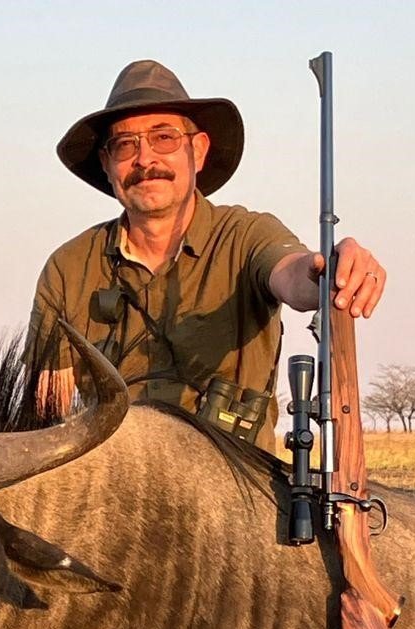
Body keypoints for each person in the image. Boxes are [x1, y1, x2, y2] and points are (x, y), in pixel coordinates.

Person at [24, 60, 386, 454]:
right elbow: (48, 415)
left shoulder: (246, 235)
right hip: (116, 496)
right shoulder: (68, 268)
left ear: (198, 150)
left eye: (164, 138)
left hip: (236, 493)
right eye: (126, 145)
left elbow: (294, 277)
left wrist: (331, 268)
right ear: (107, 165)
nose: (145, 159)